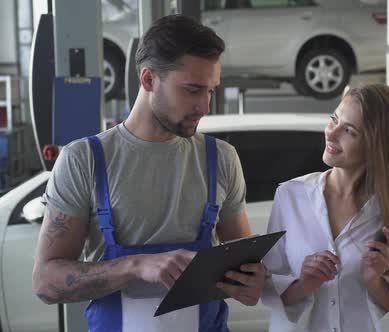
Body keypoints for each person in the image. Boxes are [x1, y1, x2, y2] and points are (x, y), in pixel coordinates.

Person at [32, 14, 265, 332]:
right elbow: (45, 282)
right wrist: (135, 266)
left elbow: (246, 272)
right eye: (193, 90)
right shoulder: (84, 161)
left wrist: (253, 285)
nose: (205, 106)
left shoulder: (221, 159)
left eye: (210, 91)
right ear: (148, 79)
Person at [262, 84, 389, 332]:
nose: (331, 133)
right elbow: (267, 291)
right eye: (333, 119)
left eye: (349, 131)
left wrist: (375, 283)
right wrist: (304, 284)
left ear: (376, 146)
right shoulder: (290, 195)